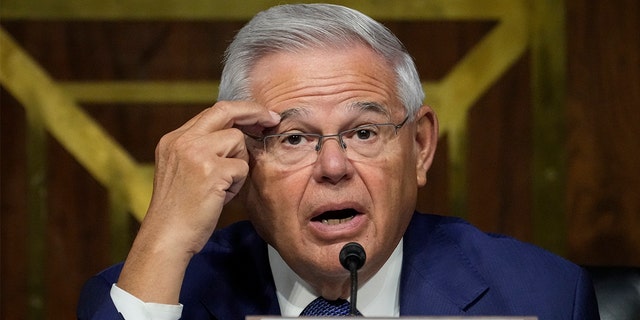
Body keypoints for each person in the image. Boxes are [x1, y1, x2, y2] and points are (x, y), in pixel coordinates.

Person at [77, 3, 600, 319]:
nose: (333, 166)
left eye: (364, 132)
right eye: (295, 139)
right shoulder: (151, 295)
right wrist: (165, 235)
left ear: (420, 147)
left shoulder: (542, 295)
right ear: (240, 162)